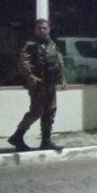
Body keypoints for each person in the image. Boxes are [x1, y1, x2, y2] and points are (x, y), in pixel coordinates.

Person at [8, 18, 67, 152]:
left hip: (50, 84)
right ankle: (17, 136)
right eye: (39, 28)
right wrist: (31, 76)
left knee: (50, 112)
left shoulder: (52, 45)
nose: (42, 30)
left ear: (49, 29)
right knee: (37, 111)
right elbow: (23, 62)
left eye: (44, 28)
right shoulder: (31, 46)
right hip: (38, 85)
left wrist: (62, 78)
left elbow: (59, 62)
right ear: (35, 30)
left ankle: (46, 141)